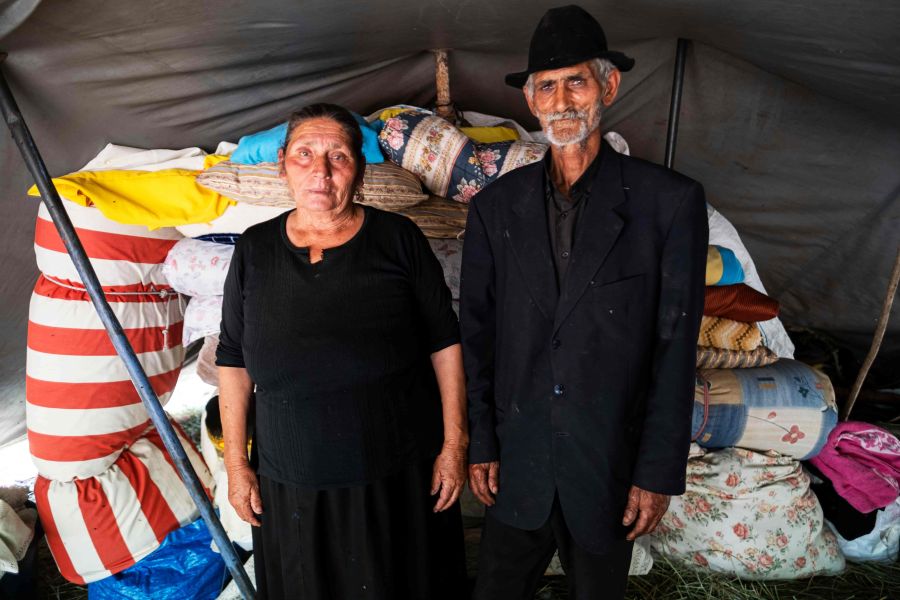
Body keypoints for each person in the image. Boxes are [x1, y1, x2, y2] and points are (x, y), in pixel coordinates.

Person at [460, 5, 709, 599]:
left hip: (609, 468)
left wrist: (655, 474)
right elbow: (478, 334)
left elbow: (674, 350)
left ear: (609, 86)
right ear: (530, 100)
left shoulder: (667, 204)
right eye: (546, 85)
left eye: (577, 80)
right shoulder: (496, 209)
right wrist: (484, 443)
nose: (562, 99)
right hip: (518, 463)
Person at [216, 103, 468, 600]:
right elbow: (233, 358)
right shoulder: (254, 249)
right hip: (289, 482)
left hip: (394, 475)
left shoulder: (398, 239)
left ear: (359, 167)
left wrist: (455, 445)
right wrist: (238, 467)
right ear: (283, 162)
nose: (321, 171)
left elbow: (445, 343)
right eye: (305, 154)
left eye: (338, 156)